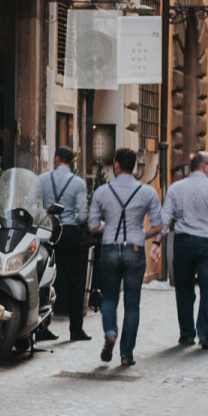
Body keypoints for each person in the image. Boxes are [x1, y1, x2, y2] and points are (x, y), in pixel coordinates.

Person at [87, 148, 164, 368]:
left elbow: (92, 226)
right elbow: (159, 225)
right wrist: (142, 234)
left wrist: (108, 227)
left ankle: (110, 332)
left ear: (116, 165)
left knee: (110, 298)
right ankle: (126, 354)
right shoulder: (147, 192)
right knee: (132, 305)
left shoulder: (102, 191)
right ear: (135, 167)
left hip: (110, 248)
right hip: (135, 250)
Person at [161, 151, 208, 349]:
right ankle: (205, 334)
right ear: (203, 166)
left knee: (184, 290)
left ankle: (186, 334)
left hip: (183, 242)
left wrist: (159, 240)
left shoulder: (176, 188)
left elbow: (165, 218)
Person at [39, 148, 91, 341]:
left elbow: (32, 203)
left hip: (46, 231)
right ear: (71, 162)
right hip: (68, 232)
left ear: (56, 159)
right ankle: (76, 329)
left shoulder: (42, 179)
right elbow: (82, 214)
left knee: (43, 278)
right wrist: (71, 221)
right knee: (74, 281)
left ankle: (41, 327)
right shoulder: (78, 183)